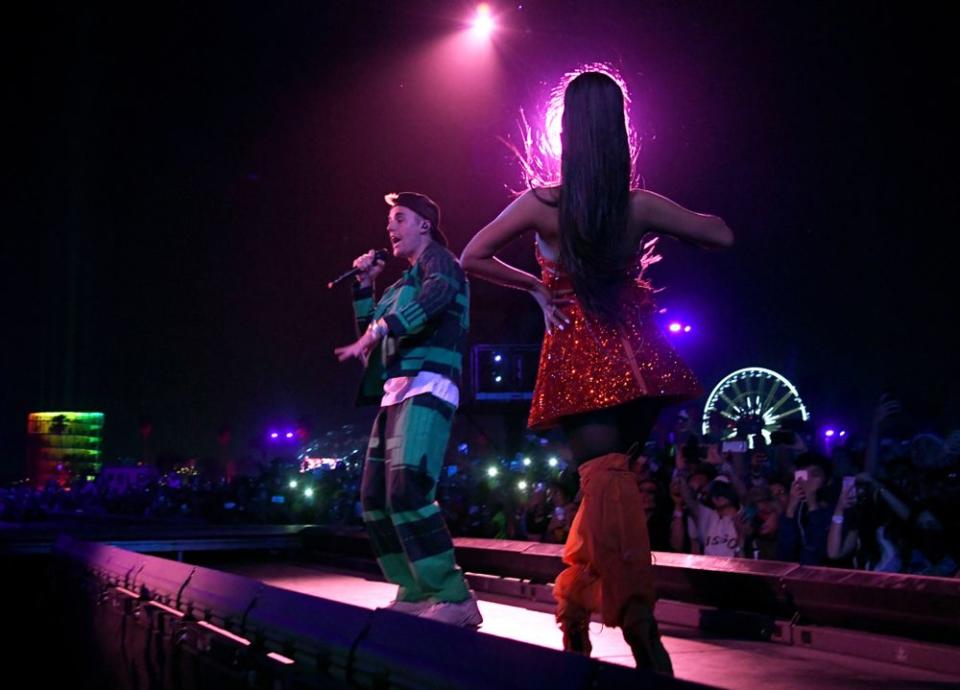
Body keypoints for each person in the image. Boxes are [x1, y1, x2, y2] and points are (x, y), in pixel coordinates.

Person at [461, 69, 732, 671]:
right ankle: (585, 615)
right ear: (619, 132)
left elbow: (472, 256)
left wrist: (535, 286)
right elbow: (721, 234)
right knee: (606, 493)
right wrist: (665, 232)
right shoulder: (638, 206)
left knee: (605, 487)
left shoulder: (542, 203)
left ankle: (637, 623)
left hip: (579, 360)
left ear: (567, 132)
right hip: (638, 365)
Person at [335, 192, 481, 627]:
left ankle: (454, 596)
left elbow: (433, 301)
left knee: (408, 488)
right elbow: (372, 337)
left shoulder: (442, 264)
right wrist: (364, 287)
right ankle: (415, 589)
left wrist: (379, 329)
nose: (390, 227)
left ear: (425, 225)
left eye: (400, 218)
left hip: (429, 384)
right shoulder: (401, 285)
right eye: (388, 221)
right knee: (375, 497)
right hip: (395, 392)